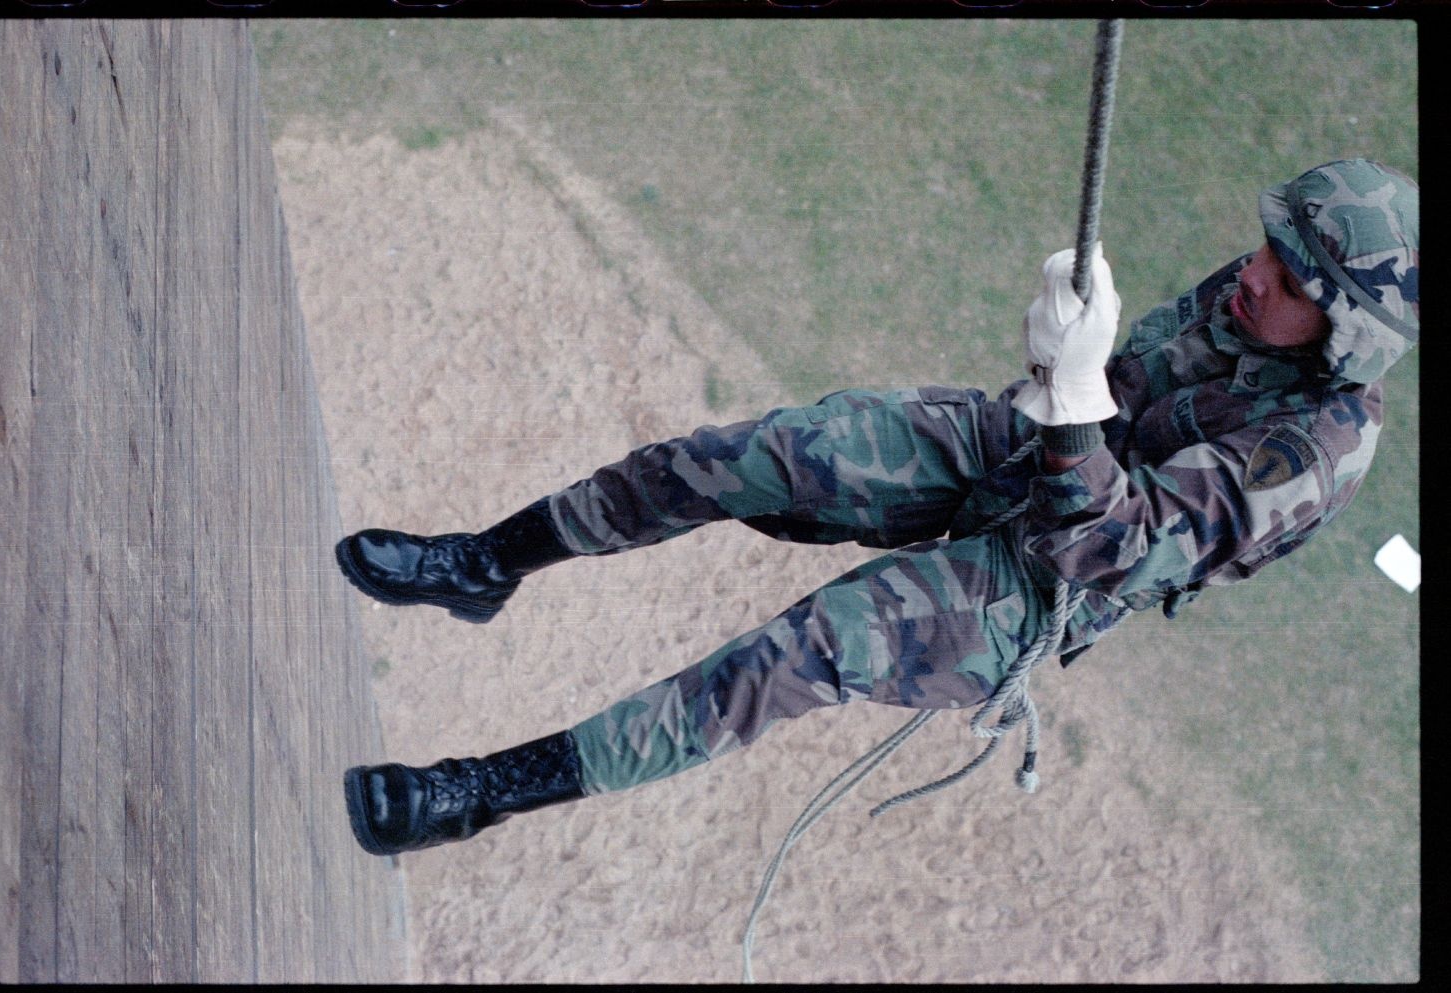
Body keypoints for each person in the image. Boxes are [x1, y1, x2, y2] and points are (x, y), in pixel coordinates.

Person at [336, 159, 1419, 857]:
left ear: (1343, 333)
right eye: (1270, 247)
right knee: (749, 454)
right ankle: (487, 564)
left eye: (1292, 278)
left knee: (794, 654)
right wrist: (1064, 362)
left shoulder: (1316, 451)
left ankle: (482, 794)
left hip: (1051, 574)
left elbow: (1114, 547)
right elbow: (1123, 378)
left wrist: (1078, 397)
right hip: (1034, 446)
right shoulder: (1259, 292)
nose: (1255, 273)